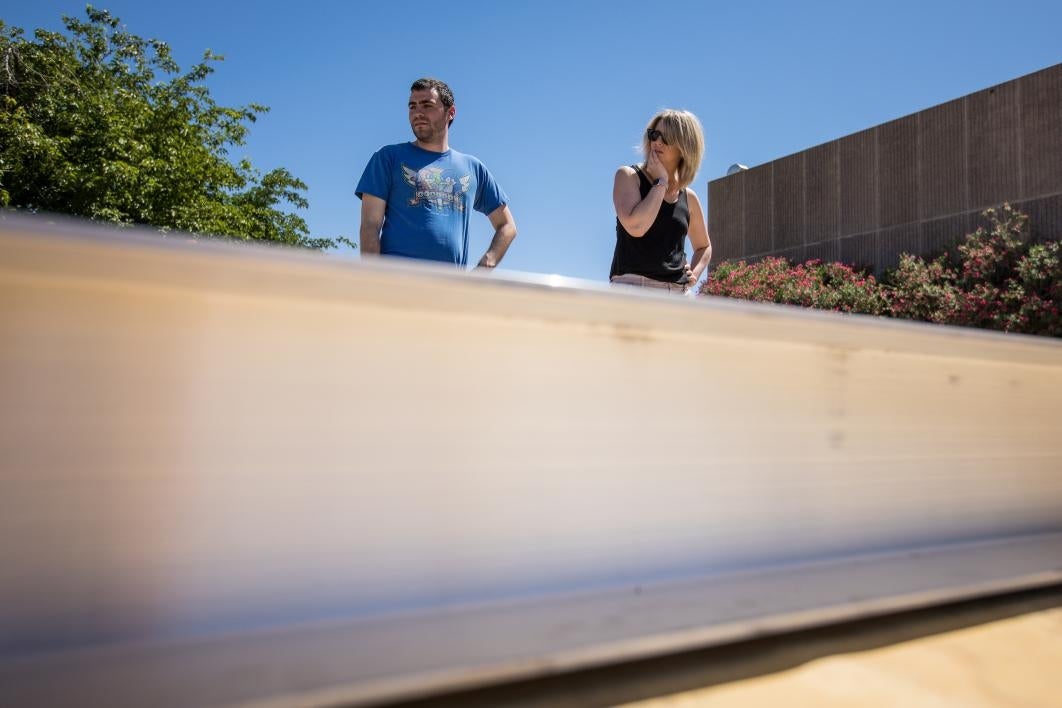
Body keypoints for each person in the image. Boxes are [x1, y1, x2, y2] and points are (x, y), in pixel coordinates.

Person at [356, 78, 517, 268]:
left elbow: (507, 226)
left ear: (451, 112)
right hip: (396, 281)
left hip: (449, 288)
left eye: (427, 105)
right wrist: (372, 279)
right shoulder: (388, 158)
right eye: (412, 106)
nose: (418, 113)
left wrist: (484, 267)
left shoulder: (473, 168)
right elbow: (370, 226)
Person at [611, 109, 712, 293]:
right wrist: (661, 183)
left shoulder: (688, 197)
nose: (657, 141)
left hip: (678, 295)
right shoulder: (628, 176)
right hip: (632, 289)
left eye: (667, 138)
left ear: (684, 147)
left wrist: (694, 274)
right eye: (654, 134)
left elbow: (704, 246)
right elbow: (637, 228)